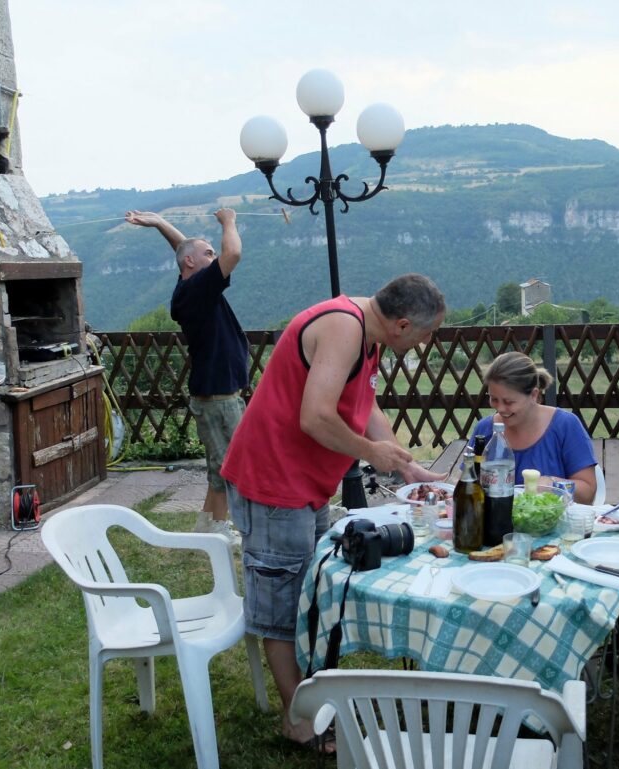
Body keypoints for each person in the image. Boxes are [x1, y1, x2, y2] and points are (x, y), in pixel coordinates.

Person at [220, 273, 446, 748]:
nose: (427, 343)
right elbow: (316, 416)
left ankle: (311, 701)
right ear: (403, 325)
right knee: (280, 608)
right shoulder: (345, 327)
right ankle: (297, 721)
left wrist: (401, 461)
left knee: (307, 591)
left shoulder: (369, 333)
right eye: (427, 334)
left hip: (305, 485)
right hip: (274, 482)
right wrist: (370, 452)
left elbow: (362, 405)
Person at [124, 209, 246, 544]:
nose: (215, 255)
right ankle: (221, 528)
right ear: (192, 263)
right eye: (209, 253)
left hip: (214, 390)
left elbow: (185, 250)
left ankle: (206, 523)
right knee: (229, 463)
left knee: (219, 458)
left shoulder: (189, 285)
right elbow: (233, 252)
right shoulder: (199, 290)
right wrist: (228, 222)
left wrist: (161, 223)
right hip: (219, 394)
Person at [467, 351, 598, 503]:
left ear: (534, 395)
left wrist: (552, 484)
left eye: (509, 402)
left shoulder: (565, 425)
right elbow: (468, 484)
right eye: (494, 399)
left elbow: (588, 492)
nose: (500, 409)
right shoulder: (485, 429)